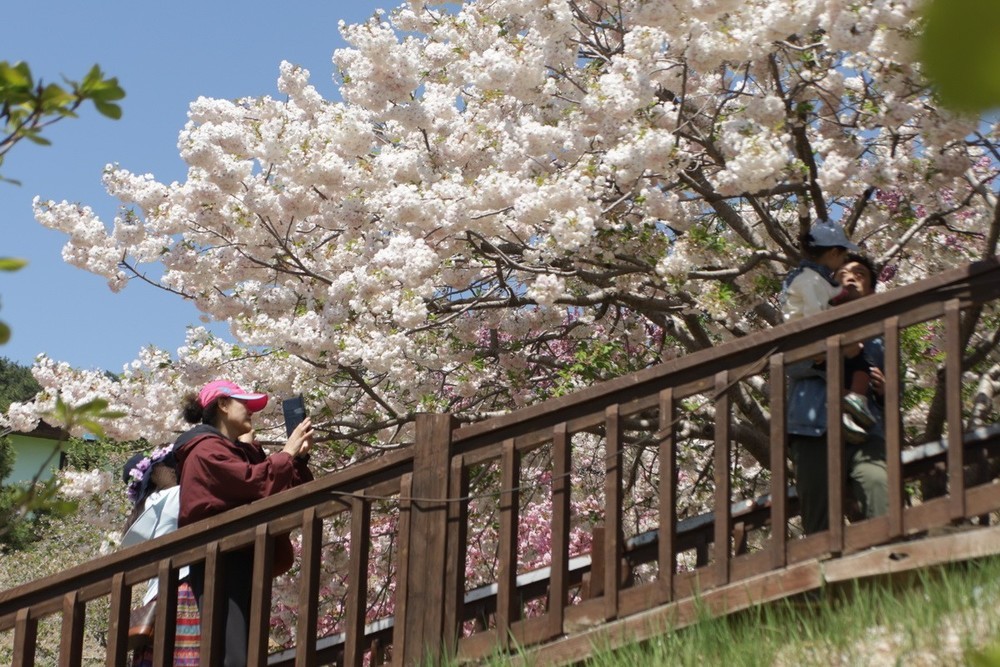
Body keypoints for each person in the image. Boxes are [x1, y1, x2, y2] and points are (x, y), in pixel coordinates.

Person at [173, 379, 314, 667]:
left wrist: (298, 460)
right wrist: (286, 454)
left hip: (244, 554)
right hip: (221, 559)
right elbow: (252, 483)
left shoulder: (233, 450)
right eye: (244, 404)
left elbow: (273, 487)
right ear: (223, 405)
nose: (251, 411)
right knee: (232, 652)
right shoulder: (203, 450)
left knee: (247, 650)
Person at [785, 252, 889, 534]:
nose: (850, 278)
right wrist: (829, 364)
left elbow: (893, 389)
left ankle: (890, 551)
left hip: (866, 430)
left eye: (859, 274)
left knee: (878, 484)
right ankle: (824, 561)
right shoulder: (809, 322)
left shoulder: (881, 335)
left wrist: (884, 391)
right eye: (841, 275)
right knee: (818, 513)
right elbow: (792, 364)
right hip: (813, 429)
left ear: (871, 291)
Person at [781, 220, 877, 444]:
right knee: (851, 364)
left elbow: (828, 298)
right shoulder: (811, 279)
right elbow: (815, 314)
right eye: (843, 258)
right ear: (834, 253)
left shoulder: (812, 277)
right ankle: (852, 403)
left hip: (813, 342)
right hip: (810, 343)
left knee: (849, 366)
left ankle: (850, 411)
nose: (844, 264)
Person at [120, 444, 200, 665]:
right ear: (154, 474)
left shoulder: (147, 508)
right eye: (168, 464)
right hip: (183, 586)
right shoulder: (175, 495)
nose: (175, 468)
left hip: (156, 595)